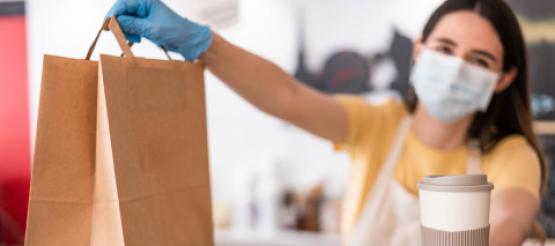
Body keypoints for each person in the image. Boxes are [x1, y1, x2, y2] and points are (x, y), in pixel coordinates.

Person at [107, 0, 547, 245]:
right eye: (445, 49)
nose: (455, 68)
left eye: (479, 60)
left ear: (503, 78)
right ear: (419, 51)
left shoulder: (510, 155)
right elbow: (287, 96)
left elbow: (504, 225)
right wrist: (201, 42)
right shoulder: (379, 125)